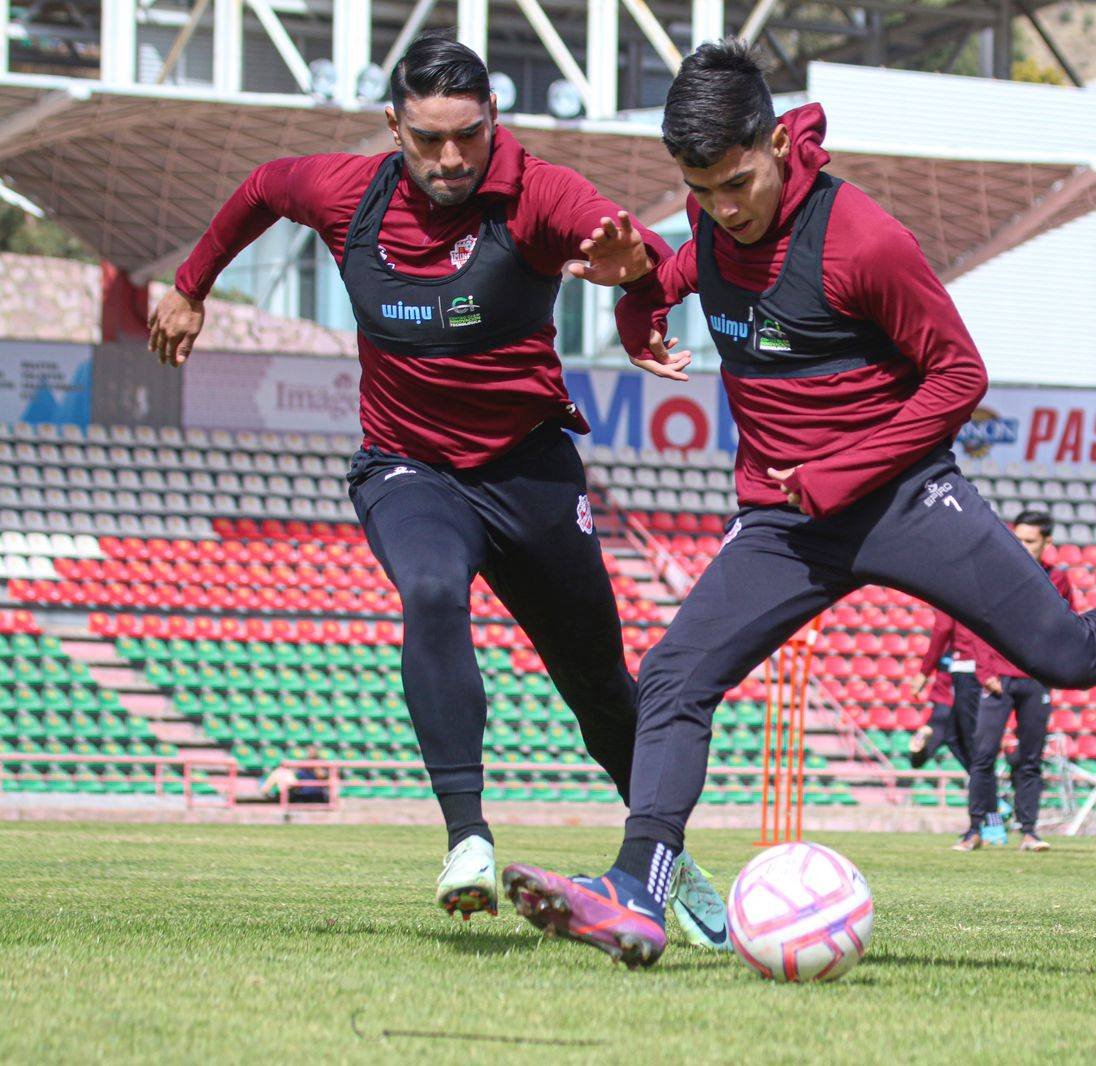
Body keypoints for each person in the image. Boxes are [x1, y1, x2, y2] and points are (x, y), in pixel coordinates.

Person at [499, 39, 1096, 969]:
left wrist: (835, 473)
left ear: (778, 142)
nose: (724, 211)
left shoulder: (863, 241)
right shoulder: (718, 226)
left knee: (1065, 654)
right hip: (787, 524)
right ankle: (637, 891)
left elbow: (960, 378)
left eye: (737, 184)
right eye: (702, 193)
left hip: (902, 498)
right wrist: (635, 307)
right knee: (670, 679)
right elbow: (677, 276)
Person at [146, 31, 728, 944]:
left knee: (600, 690)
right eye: (428, 139)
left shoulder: (536, 194)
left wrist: (633, 288)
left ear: (494, 119)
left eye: (468, 134)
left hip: (528, 469)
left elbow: (644, 251)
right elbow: (262, 187)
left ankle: (665, 859)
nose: (452, 158)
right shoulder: (347, 194)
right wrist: (191, 286)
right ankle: (468, 841)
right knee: (427, 585)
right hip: (407, 467)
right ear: (393, 127)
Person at [960, 511, 1071, 854]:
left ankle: (1029, 831)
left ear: (1047, 543)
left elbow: (1068, 625)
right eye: (1017, 539)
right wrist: (985, 671)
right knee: (982, 755)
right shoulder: (998, 574)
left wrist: (1055, 671)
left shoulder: (1059, 579)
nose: (1021, 546)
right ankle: (975, 829)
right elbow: (979, 622)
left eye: (1030, 541)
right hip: (998, 679)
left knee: (1030, 759)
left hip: (1036, 680)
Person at [908, 610, 981, 775]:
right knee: (967, 749)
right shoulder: (961, 649)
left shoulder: (946, 648)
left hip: (942, 707)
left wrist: (924, 674)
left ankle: (922, 742)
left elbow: (941, 631)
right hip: (955, 704)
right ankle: (983, 784)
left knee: (945, 741)